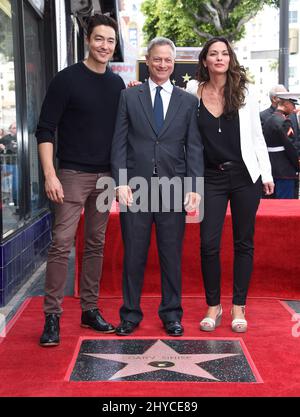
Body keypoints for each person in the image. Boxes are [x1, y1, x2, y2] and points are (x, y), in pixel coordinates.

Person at [35, 14, 125, 347]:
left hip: (105, 178)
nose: (104, 45)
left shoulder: (116, 84)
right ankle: (52, 316)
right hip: (70, 175)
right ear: (88, 40)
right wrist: (50, 174)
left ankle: (89, 309)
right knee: (61, 244)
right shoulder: (66, 80)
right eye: (99, 39)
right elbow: (45, 130)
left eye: (110, 41)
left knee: (95, 245)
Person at [111, 37, 204, 337]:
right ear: (148, 60)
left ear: (173, 63)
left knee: (171, 255)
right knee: (134, 255)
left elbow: (194, 147)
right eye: (157, 59)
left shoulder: (188, 101)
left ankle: (172, 314)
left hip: (173, 189)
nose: (162, 64)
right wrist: (120, 182)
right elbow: (119, 142)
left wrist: (193, 186)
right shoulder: (129, 97)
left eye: (168, 60)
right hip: (135, 190)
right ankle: (130, 314)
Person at [186, 36, 274, 333]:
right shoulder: (191, 91)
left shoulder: (245, 92)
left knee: (243, 242)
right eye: (213, 53)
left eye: (224, 53)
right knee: (208, 244)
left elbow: (257, 137)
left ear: (230, 59)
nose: (220, 57)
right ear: (205, 60)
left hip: (244, 177)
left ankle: (238, 307)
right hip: (210, 177)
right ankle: (214, 306)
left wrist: (268, 173)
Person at [262, 92, 300, 199]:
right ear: (287, 104)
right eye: (293, 104)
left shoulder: (269, 120)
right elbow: (291, 148)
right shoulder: (284, 122)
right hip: (285, 171)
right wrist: (298, 166)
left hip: (272, 170)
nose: (294, 108)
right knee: (286, 208)